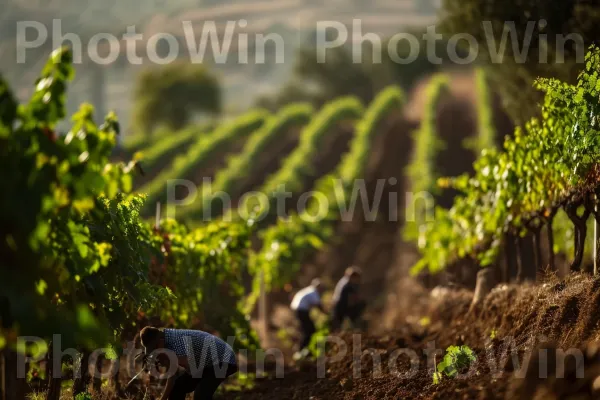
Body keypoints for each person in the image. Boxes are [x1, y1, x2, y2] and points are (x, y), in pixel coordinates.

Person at [139, 326, 237, 400]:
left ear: (160, 342)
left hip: (223, 359)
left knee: (201, 395)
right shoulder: (166, 343)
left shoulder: (175, 340)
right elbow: (172, 378)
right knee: (177, 386)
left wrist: (166, 358)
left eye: (156, 350)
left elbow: (190, 366)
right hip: (206, 364)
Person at [290, 278, 326, 354]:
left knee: (306, 329)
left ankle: (302, 348)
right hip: (301, 311)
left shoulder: (308, 290)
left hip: (297, 310)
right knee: (310, 330)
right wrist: (327, 314)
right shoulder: (313, 292)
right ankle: (302, 349)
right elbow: (319, 306)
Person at [330, 266, 366, 332]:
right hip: (340, 305)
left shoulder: (347, 282)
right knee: (337, 325)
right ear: (353, 277)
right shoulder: (346, 285)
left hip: (342, 305)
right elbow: (348, 299)